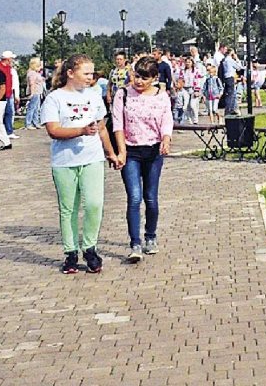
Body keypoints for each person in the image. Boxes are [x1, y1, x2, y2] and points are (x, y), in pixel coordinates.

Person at [41, 54, 119, 274]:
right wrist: (81, 131)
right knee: (68, 208)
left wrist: (111, 153)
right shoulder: (55, 98)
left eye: (92, 73)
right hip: (64, 161)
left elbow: (102, 127)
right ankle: (70, 252)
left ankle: (90, 247)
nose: (90, 77)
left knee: (94, 203)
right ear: (70, 73)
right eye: (85, 73)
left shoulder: (94, 95)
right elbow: (53, 130)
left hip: (92, 158)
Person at [112, 55, 173, 262]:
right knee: (134, 197)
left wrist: (166, 139)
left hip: (153, 151)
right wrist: (121, 151)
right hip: (131, 152)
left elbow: (167, 120)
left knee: (151, 198)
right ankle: (135, 243)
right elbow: (118, 125)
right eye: (137, 76)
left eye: (144, 78)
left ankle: (150, 236)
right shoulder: (123, 94)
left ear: (155, 78)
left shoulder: (161, 96)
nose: (139, 81)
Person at [0, 51, 18, 140]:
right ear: (8, 59)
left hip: (8, 93)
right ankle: (0, 133)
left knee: (9, 112)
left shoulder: (9, 68)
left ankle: (9, 131)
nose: (12, 60)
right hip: (1, 94)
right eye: (11, 59)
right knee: (0, 114)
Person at [25, 57, 46, 129]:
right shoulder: (32, 73)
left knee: (36, 108)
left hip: (38, 92)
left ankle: (36, 122)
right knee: (32, 108)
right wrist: (32, 93)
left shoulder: (35, 73)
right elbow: (32, 83)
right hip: (35, 92)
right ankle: (28, 123)